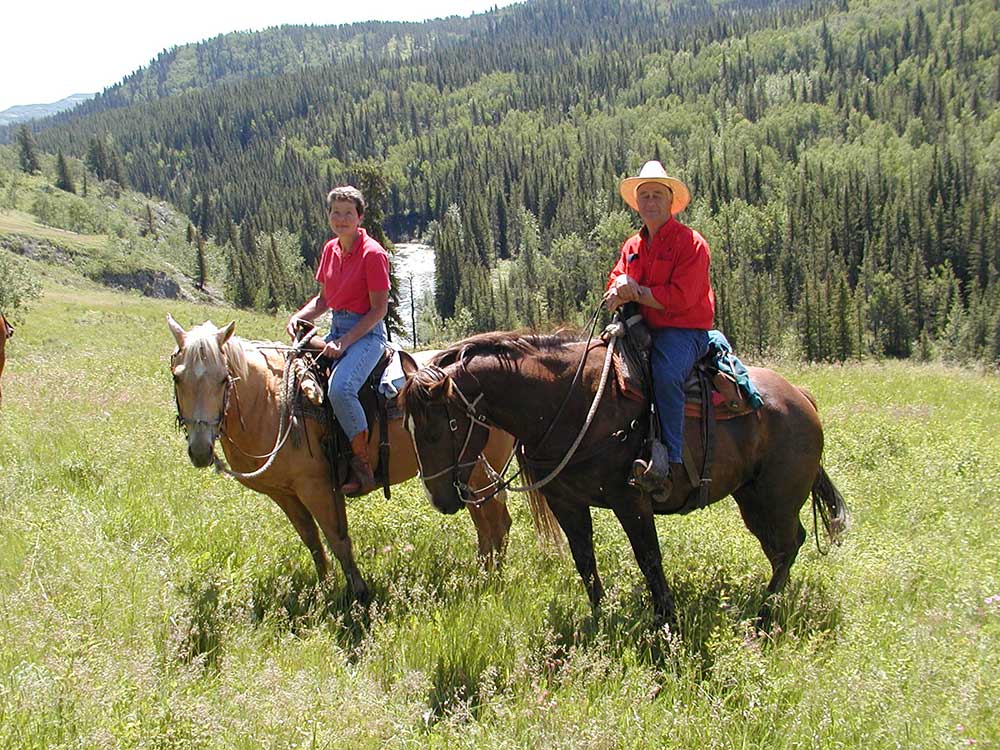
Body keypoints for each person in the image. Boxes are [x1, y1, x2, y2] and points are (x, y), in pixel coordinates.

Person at [604, 161, 716, 500]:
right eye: (645, 196)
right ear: (637, 203)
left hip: (683, 332)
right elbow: (615, 277)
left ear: (671, 202)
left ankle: (672, 460)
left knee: (665, 373)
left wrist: (637, 292)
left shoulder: (691, 244)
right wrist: (616, 290)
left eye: (657, 195)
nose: (650, 201)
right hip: (638, 328)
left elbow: (683, 297)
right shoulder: (632, 246)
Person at [287, 185, 390, 494]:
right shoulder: (331, 248)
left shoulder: (373, 254)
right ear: (329, 216)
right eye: (336, 212)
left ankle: (363, 465)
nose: (341, 219)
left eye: (348, 213)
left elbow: (378, 310)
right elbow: (322, 301)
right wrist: (299, 317)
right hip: (336, 328)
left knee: (341, 389)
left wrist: (344, 343)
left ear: (359, 217)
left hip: (367, 334)